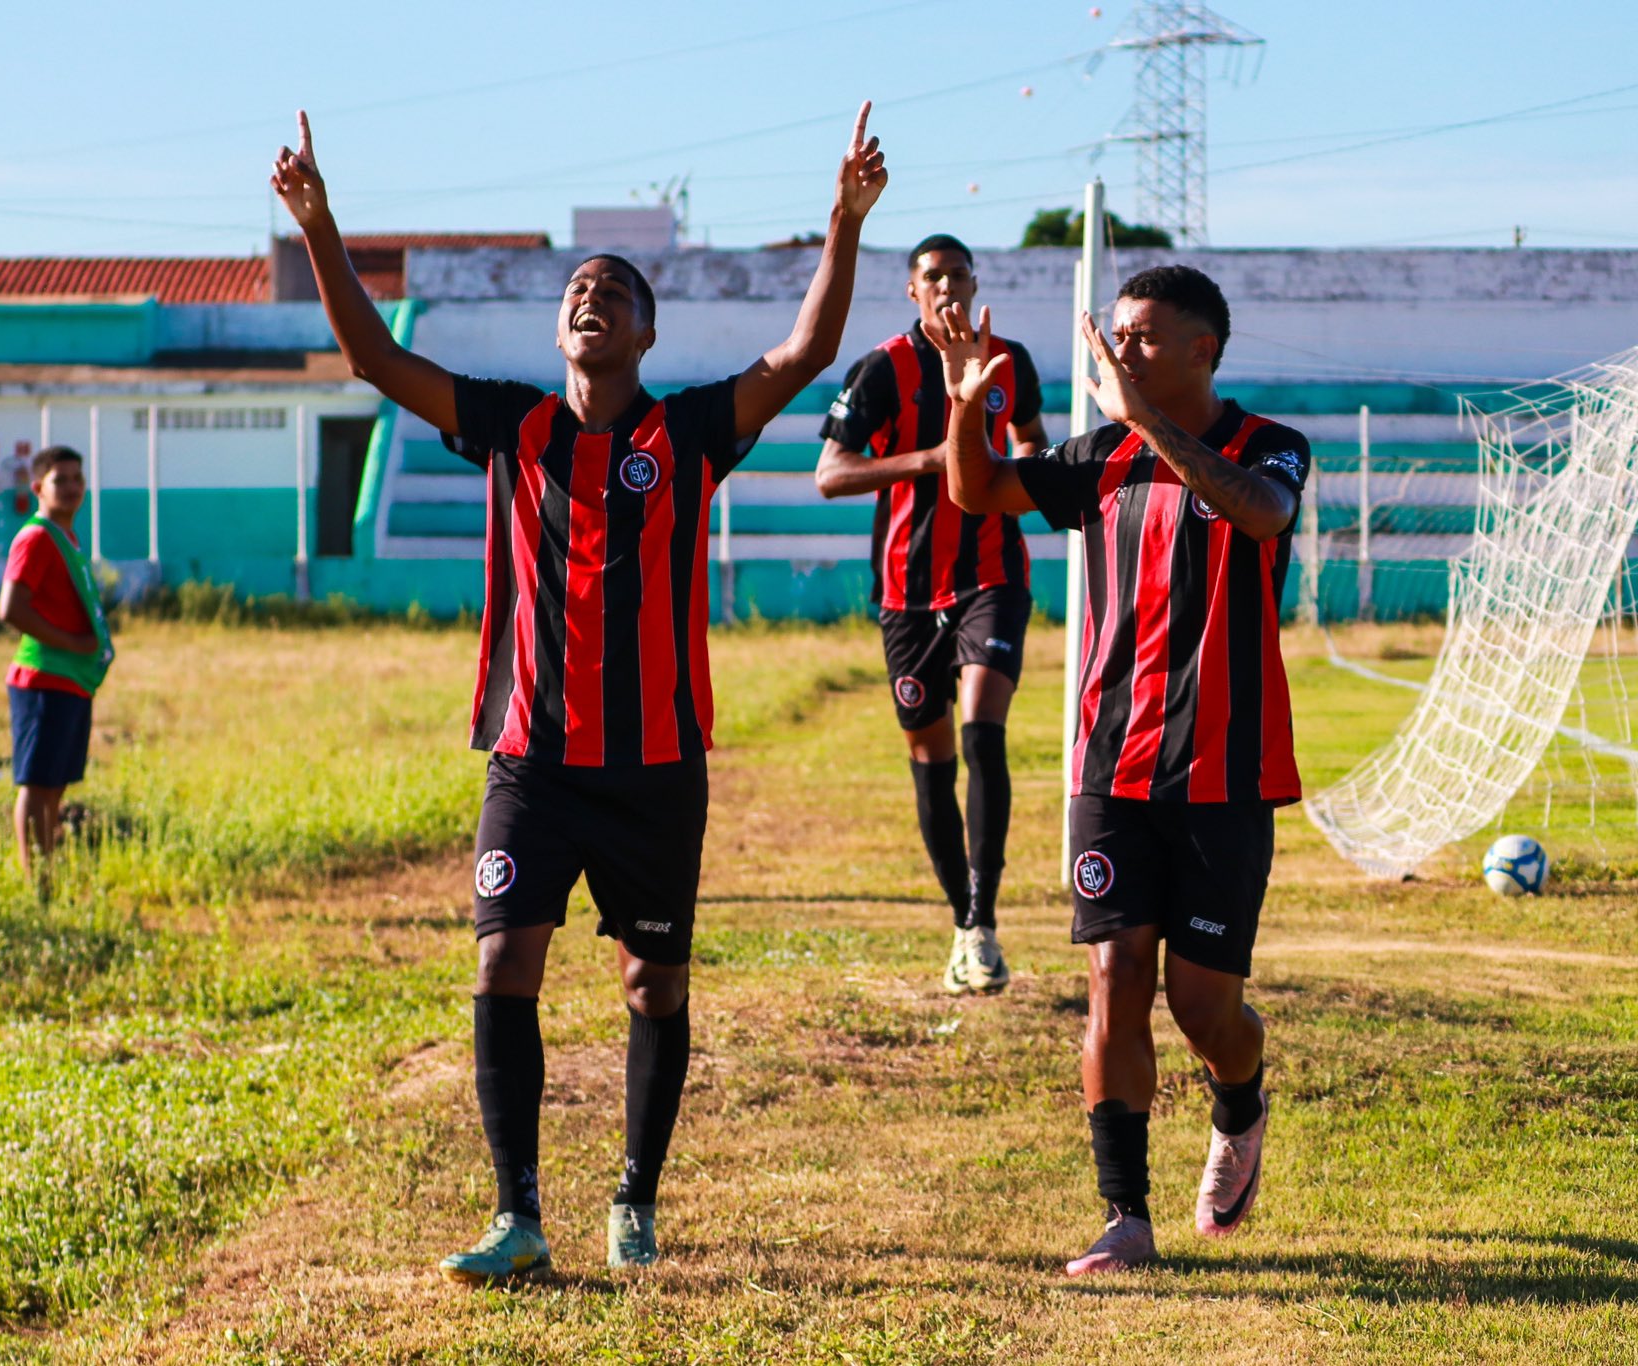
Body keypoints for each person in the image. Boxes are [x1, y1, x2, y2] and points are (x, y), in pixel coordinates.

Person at [274, 104, 884, 1283]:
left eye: (614, 288)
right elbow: (371, 361)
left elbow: (803, 355)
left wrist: (840, 223)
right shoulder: (512, 422)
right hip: (533, 759)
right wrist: (320, 227)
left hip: (655, 764)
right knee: (504, 963)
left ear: (647, 331)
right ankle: (518, 1215)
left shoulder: (695, 428)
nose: (588, 295)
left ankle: (635, 1197)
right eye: (577, 288)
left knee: (652, 980)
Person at [932, 266, 1309, 1275]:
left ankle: (1239, 1099)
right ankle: (1123, 1216)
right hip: (1107, 766)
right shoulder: (1094, 457)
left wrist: (1143, 422)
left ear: (1202, 350)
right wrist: (964, 404)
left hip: (1223, 775)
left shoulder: (1266, 445)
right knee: (1112, 981)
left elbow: (1262, 515)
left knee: (1203, 1010)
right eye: (1117, 335)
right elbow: (973, 491)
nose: (1118, 350)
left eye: (1143, 337)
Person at [814, 234, 1045, 996]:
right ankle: (963, 921)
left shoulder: (1008, 359)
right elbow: (830, 474)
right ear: (912, 292)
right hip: (908, 593)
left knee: (983, 731)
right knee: (931, 758)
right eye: (931, 277)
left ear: (976, 283)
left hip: (992, 577)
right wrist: (932, 458)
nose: (946, 287)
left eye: (957, 275)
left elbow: (1031, 442)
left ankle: (984, 918)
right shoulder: (883, 368)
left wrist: (1024, 464)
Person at [0, 446, 111, 886]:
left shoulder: (67, 540)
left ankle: (51, 873)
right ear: (37, 488)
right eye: (60, 480)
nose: (71, 488)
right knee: (37, 785)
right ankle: (37, 885)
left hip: (71, 681)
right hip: (43, 677)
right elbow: (11, 609)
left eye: (77, 479)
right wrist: (71, 643)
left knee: (56, 786)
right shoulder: (36, 538)